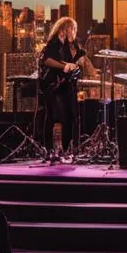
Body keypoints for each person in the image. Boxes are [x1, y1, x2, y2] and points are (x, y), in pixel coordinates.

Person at [37, 16, 87, 158]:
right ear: (63, 28)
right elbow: (46, 60)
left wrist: (76, 65)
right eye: (71, 28)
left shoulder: (74, 45)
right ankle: (48, 150)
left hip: (68, 86)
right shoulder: (54, 42)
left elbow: (79, 62)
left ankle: (68, 150)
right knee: (55, 118)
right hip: (54, 86)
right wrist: (65, 66)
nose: (73, 31)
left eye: (74, 29)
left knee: (72, 118)